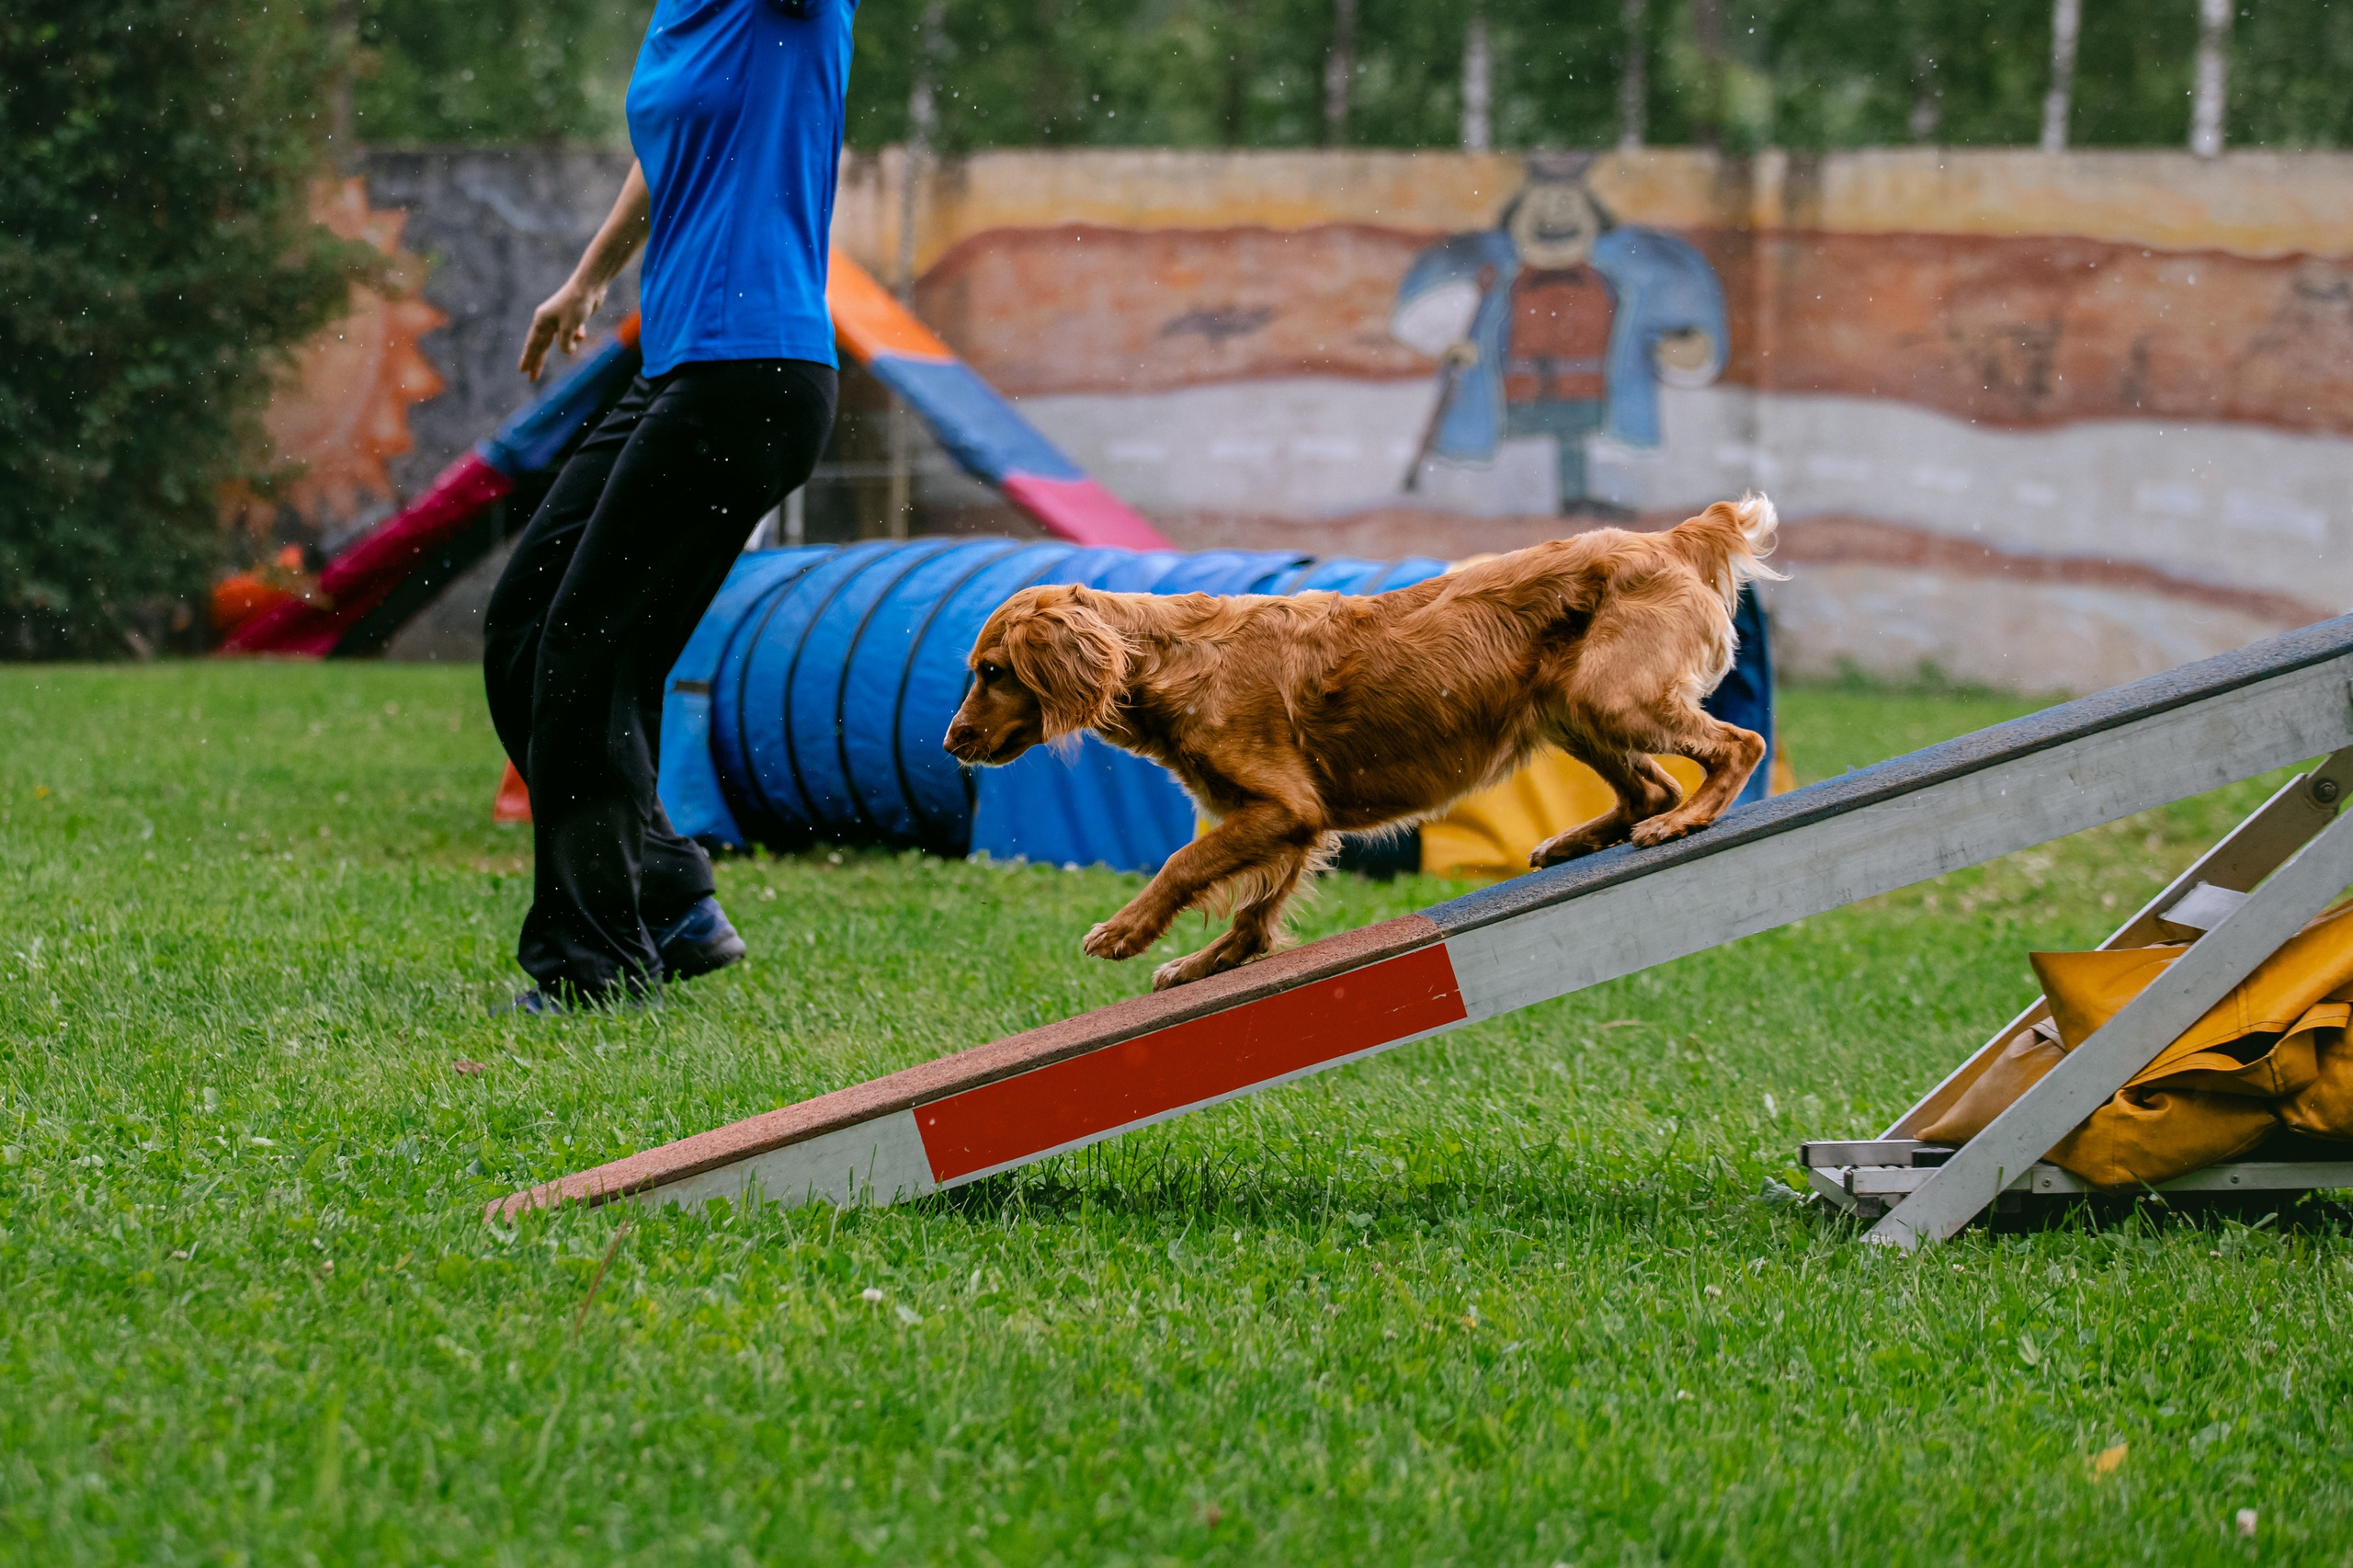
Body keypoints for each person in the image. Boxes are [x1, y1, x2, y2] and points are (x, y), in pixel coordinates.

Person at [483, 0, 858, 1009]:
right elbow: (669, 153)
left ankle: (592, 961)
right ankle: (667, 889)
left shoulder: (787, 11)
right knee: (527, 623)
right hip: (679, 365)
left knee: (591, 649)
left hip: (755, 372)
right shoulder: (683, 17)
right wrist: (585, 278)